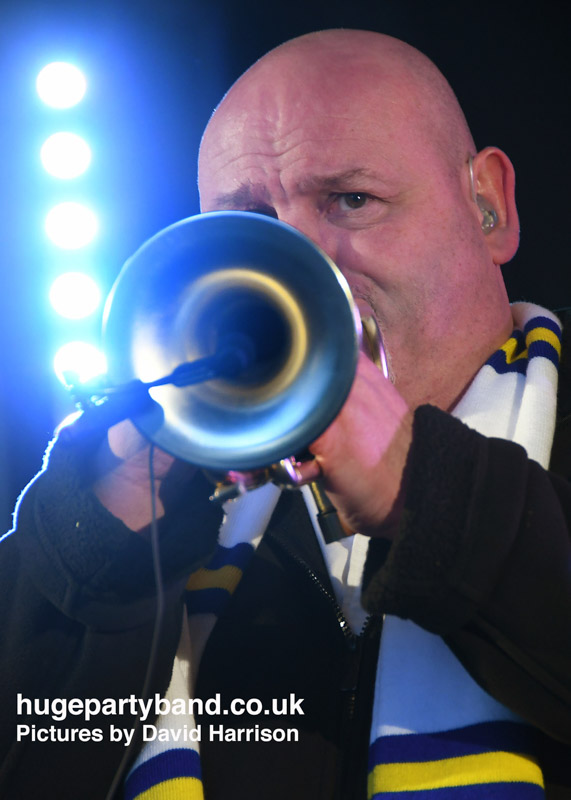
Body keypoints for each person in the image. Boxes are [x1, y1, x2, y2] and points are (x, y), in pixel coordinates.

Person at [1, 28, 570, 800]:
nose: (294, 263)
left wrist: (429, 495)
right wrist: (91, 552)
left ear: (488, 207)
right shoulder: (178, 489)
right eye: (251, 220)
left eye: (351, 200)